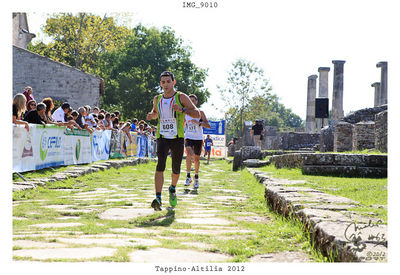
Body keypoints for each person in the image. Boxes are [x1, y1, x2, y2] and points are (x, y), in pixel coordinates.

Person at [146, 71, 200, 211]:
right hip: (162, 136)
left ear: (173, 82)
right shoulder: (157, 98)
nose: (166, 85)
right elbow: (155, 113)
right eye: (163, 82)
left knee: (176, 168)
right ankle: (158, 197)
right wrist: (152, 115)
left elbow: (197, 113)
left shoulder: (181, 96)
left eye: (168, 81)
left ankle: (172, 188)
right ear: (160, 84)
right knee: (160, 166)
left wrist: (181, 109)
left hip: (177, 137)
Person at [183, 94, 210, 189]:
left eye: (193, 101)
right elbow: (182, 125)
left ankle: (196, 177)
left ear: (196, 102)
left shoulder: (200, 112)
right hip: (188, 137)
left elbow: (208, 125)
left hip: (198, 138)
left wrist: (199, 123)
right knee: (189, 155)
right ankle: (188, 176)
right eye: (189, 101)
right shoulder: (185, 113)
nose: (191, 102)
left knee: (197, 159)